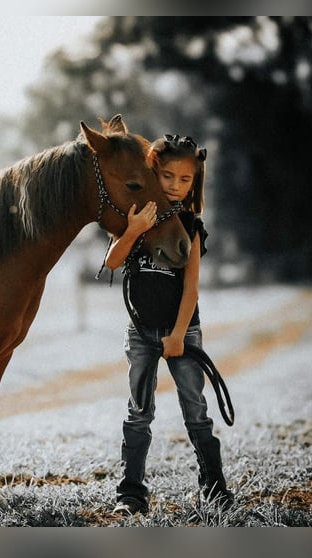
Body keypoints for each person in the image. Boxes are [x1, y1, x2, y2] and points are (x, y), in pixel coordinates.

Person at [104, 134, 233, 516]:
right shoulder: (137, 216)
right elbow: (112, 263)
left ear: (195, 183)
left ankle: (214, 488)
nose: (176, 186)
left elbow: (190, 287)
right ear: (152, 173)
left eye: (185, 180)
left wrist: (178, 334)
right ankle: (131, 493)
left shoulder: (191, 225)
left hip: (182, 331)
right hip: (141, 333)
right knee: (138, 410)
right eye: (167, 177)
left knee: (195, 408)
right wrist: (132, 230)